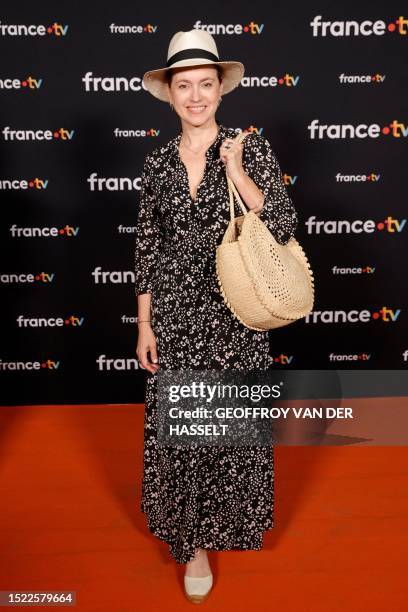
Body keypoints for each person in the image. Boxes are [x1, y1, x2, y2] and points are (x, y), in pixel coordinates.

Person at [135, 29, 298, 603]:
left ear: (220, 91)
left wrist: (237, 171)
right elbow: (148, 248)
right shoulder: (155, 164)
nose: (196, 96)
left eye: (206, 85)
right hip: (177, 316)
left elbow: (282, 220)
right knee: (181, 435)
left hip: (236, 310)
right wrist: (145, 323)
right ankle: (191, 546)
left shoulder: (246, 146)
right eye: (186, 86)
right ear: (170, 94)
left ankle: (225, 522)